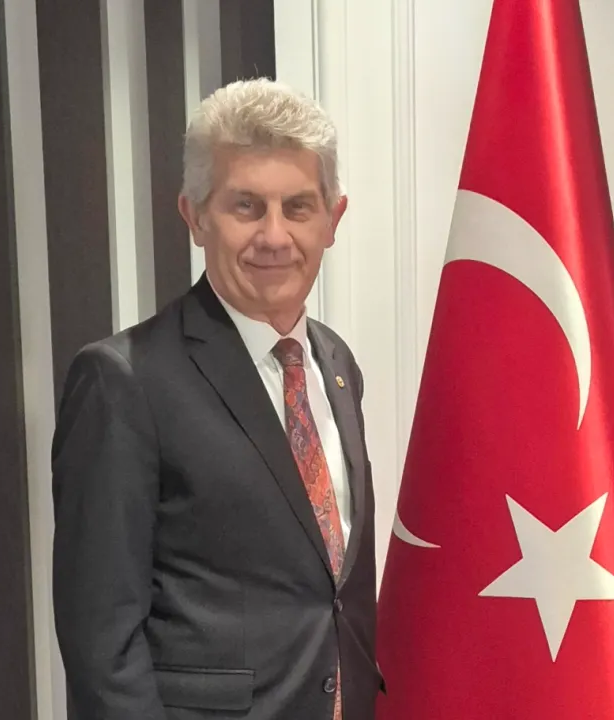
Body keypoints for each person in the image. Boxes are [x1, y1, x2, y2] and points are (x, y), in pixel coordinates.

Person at [52, 78, 381, 719]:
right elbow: (102, 645)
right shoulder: (123, 381)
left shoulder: (337, 364)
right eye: (246, 207)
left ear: (333, 219)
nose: (275, 236)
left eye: (298, 207)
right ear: (195, 215)